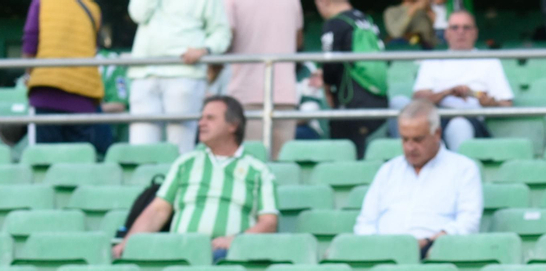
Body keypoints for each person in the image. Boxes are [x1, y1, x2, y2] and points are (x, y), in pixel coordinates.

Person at [112, 96, 280, 261]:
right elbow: (158, 210)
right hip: (178, 252)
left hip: (228, 255)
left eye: (210, 118)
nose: (201, 123)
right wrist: (128, 242)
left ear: (233, 125)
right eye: (201, 118)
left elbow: (269, 223)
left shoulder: (258, 170)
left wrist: (234, 241)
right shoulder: (186, 163)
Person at [354, 99, 484, 249]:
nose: (410, 147)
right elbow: (365, 223)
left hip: (437, 256)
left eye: (417, 140)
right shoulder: (388, 170)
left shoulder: (463, 169)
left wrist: (430, 243)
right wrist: (379, 247)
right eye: (405, 139)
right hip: (382, 257)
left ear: (437, 134)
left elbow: (468, 224)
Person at [126, 0, 232, 153]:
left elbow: (222, 32)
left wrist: (205, 50)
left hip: (184, 73)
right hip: (144, 72)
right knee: (141, 149)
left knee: (180, 147)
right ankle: (143, 177)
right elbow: (138, 14)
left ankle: (181, 177)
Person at [410, 10, 513, 150]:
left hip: (473, 121)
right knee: (400, 104)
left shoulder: (489, 61)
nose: (460, 32)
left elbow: (506, 104)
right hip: (435, 121)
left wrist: (490, 103)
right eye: (455, 27)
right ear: (446, 33)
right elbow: (418, 99)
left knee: (459, 124)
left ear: (475, 32)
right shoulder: (432, 60)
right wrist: (447, 93)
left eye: (466, 27)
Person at [23, 0, 114, 158]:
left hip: (46, 92)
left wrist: (28, 74)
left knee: (45, 162)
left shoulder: (41, 3)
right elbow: (94, 47)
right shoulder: (93, 8)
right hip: (83, 95)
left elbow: (30, 46)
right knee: (79, 163)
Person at [222, 0, 304, 158]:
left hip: (247, 92)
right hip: (285, 94)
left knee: (249, 163)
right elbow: (298, 39)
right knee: (282, 165)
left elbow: (226, 38)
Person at [317, 0, 388, 159]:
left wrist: (327, 87)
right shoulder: (367, 21)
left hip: (351, 102)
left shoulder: (335, 23)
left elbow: (330, 66)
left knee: (346, 160)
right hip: (379, 99)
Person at [385, 0, 472, 48]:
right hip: (406, 50)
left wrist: (428, 9)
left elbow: (441, 31)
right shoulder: (392, 11)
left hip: (430, 50)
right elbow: (395, 33)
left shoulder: (428, 9)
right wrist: (413, 9)